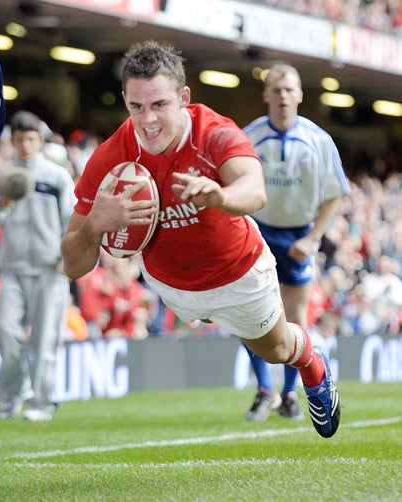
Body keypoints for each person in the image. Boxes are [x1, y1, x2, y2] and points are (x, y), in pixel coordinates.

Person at [61, 40, 341, 438]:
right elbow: (72, 266)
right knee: (255, 341)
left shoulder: (214, 132)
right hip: (172, 285)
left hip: (238, 272)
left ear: (183, 97)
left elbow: (255, 190)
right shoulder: (111, 157)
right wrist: (94, 226)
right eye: (136, 106)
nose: (148, 120)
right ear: (125, 100)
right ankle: (266, 387)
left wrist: (222, 197)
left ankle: (314, 366)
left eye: (159, 104)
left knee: (275, 349)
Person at [241, 64, 351, 422]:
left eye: (289, 89)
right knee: (248, 316)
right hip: (257, 230)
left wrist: (313, 237)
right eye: (277, 89)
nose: (283, 96)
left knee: (295, 318)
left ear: (300, 94)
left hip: (298, 235)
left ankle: (289, 394)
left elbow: (335, 194)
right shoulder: (250, 136)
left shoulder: (318, 140)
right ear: (266, 95)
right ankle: (263, 391)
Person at [0, 111, 76, 421]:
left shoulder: (56, 176)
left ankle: (42, 402)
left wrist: (68, 257)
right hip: (12, 268)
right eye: (20, 139)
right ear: (13, 141)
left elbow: (71, 220)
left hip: (49, 268)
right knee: (5, 332)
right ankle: (12, 395)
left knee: (44, 337)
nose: (25, 145)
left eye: (31, 139)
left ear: (40, 141)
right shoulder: (4, 177)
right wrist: (3, 204)